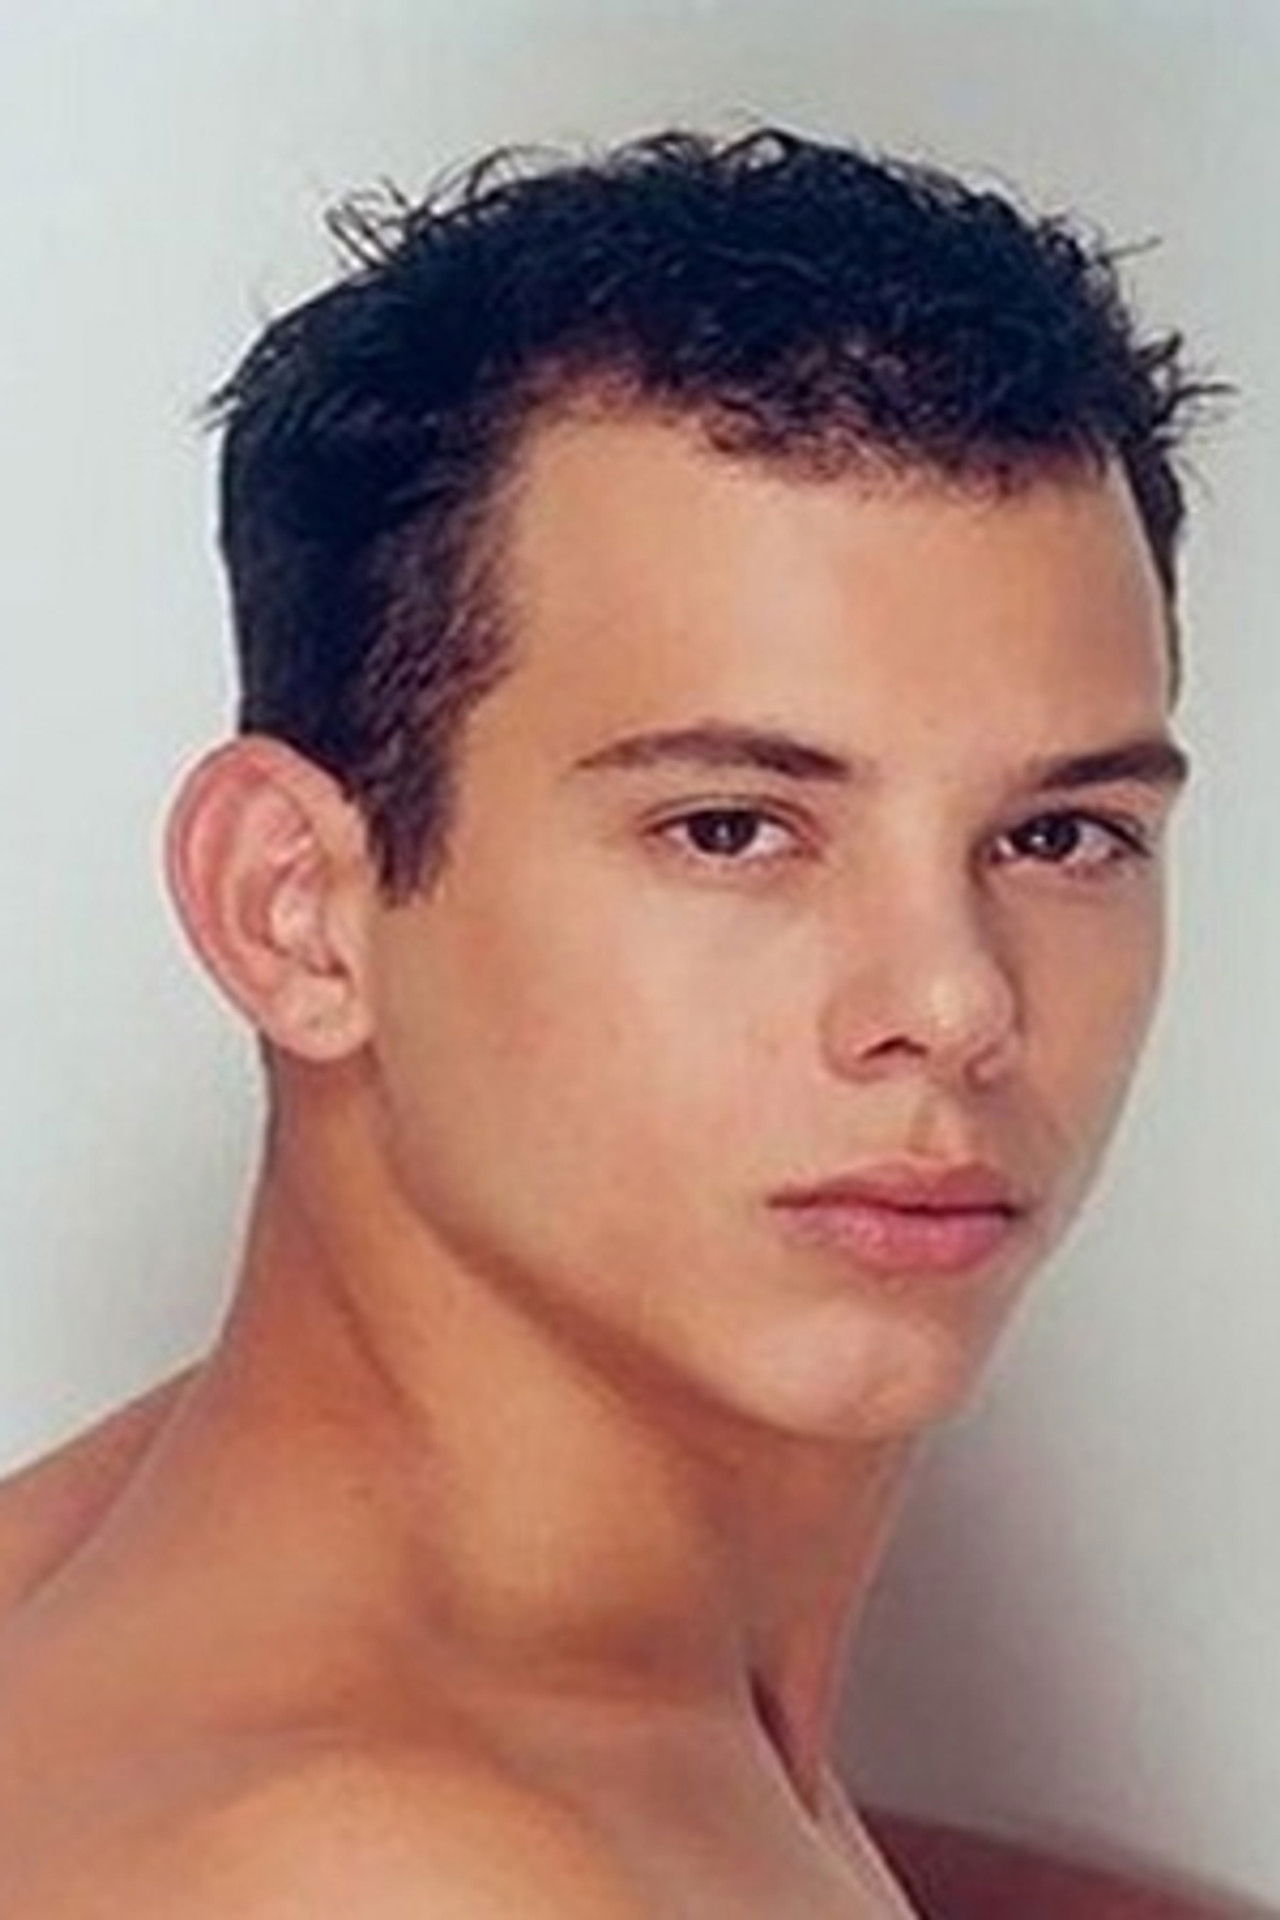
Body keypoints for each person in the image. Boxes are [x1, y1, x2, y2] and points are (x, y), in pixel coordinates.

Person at [0, 127, 1218, 1916]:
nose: (954, 1004)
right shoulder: (389, 1869)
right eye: (731, 829)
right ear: (295, 906)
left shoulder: (153, 1573)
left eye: (1059, 836)